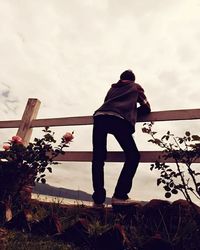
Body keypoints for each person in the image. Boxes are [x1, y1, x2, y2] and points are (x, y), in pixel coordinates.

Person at [91, 70, 151, 207]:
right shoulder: (136, 87)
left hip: (100, 117)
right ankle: (119, 195)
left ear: (121, 79)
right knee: (133, 156)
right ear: (132, 80)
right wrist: (133, 112)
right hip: (117, 119)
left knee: (98, 158)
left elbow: (107, 103)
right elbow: (146, 107)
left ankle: (98, 200)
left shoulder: (112, 89)